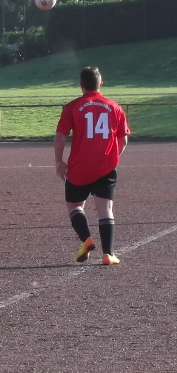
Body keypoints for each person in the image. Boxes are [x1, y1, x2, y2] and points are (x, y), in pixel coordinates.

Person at [54, 67, 129, 266]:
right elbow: (123, 140)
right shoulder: (115, 107)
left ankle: (87, 239)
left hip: (78, 167)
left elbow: (60, 137)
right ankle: (108, 254)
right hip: (105, 167)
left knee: (75, 206)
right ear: (100, 84)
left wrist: (59, 161)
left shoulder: (72, 107)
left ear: (81, 85)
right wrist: (113, 158)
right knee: (105, 209)